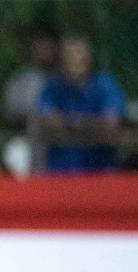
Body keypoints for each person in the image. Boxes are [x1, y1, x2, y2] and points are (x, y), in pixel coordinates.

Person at [35, 36, 126, 173]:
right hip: (60, 172)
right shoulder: (52, 87)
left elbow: (110, 126)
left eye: (77, 55)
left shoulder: (105, 85)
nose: (73, 60)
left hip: (100, 170)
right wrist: (91, 124)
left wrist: (71, 124)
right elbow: (48, 124)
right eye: (68, 56)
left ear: (88, 59)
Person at [3, 27, 59, 130]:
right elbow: (11, 115)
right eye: (39, 46)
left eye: (46, 46)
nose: (43, 51)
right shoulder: (21, 79)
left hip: (59, 139)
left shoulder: (64, 78)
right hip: (27, 135)